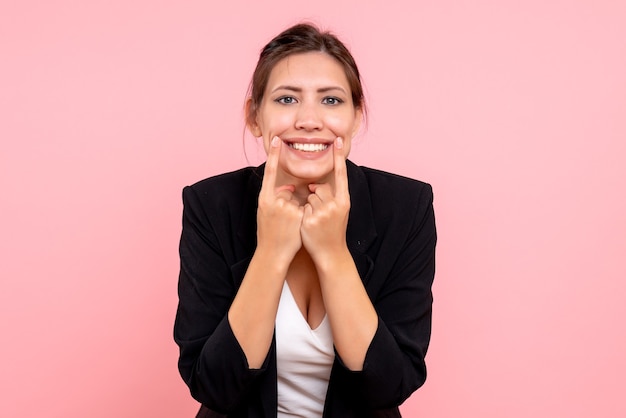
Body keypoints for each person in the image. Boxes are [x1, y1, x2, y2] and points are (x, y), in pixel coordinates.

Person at [174, 23, 436, 418]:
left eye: (331, 101)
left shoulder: (406, 206)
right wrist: (272, 252)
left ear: (355, 116)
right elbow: (214, 387)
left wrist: (333, 254)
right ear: (254, 117)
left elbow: (390, 384)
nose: (310, 120)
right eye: (286, 100)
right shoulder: (211, 205)